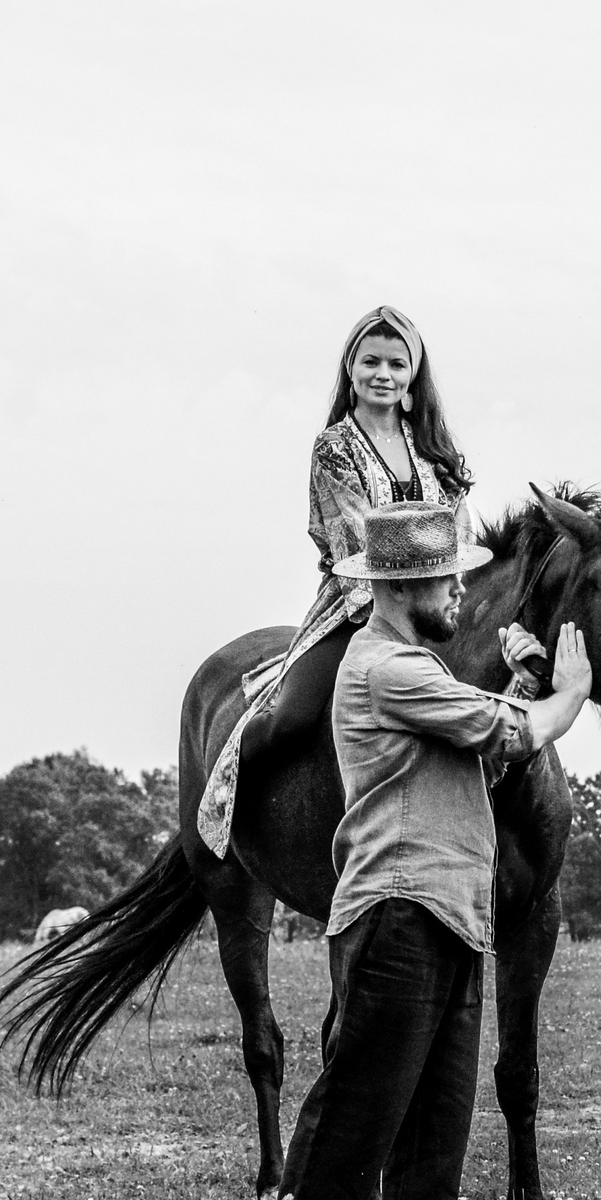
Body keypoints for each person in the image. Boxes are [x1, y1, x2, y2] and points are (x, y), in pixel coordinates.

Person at [263, 501, 591, 1200]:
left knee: (439, 1107)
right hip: (397, 909)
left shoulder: (424, 675)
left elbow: (480, 757)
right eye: (447, 583)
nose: (460, 597)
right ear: (406, 589)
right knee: (361, 1098)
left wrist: (513, 680)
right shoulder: (387, 667)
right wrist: (565, 695)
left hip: (448, 912)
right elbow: (514, 733)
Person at [194, 307, 477, 856]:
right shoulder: (335, 448)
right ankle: (226, 786)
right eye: (370, 361)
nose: (383, 374)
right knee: (294, 718)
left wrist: (450, 593)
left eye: (397, 363)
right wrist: (395, 608)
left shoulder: (438, 454)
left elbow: (459, 535)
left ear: (412, 377)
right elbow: (353, 542)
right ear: (351, 371)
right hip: (356, 605)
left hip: (437, 605)